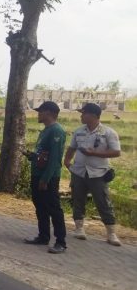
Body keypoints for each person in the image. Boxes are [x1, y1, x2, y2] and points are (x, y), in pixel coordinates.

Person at [64, 102, 122, 246]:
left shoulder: (108, 132)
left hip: (98, 173)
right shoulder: (79, 131)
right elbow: (72, 148)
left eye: (84, 113)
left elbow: (116, 152)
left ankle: (111, 233)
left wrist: (94, 153)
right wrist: (67, 161)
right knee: (78, 199)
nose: (81, 116)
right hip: (79, 171)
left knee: (103, 202)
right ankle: (79, 228)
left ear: (94, 115)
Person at [22, 101, 68, 254]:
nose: (38, 114)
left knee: (53, 208)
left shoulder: (57, 131)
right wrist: (33, 157)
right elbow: (44, 155)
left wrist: (45, 179)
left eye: (40, 112)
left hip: (48, 177)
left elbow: (55, 159)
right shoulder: (45, 131)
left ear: (48, 112)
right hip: (38, 173)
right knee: (40, 206)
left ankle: (60, 241)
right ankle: (43, 236)